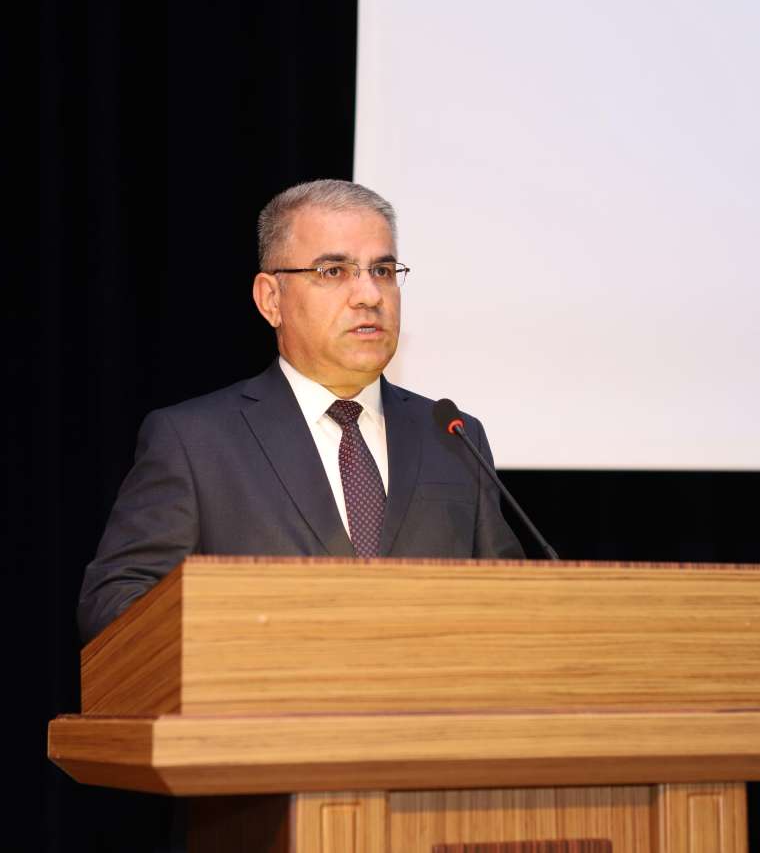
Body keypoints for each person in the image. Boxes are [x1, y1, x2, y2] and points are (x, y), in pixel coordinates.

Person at [77, 179, 523, 643]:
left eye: (383, 270)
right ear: (271, 299)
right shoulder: (194, 442)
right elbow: (116, 603)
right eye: (334, 271)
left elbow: (514, 604)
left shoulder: (453, 437)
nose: (370, 295)